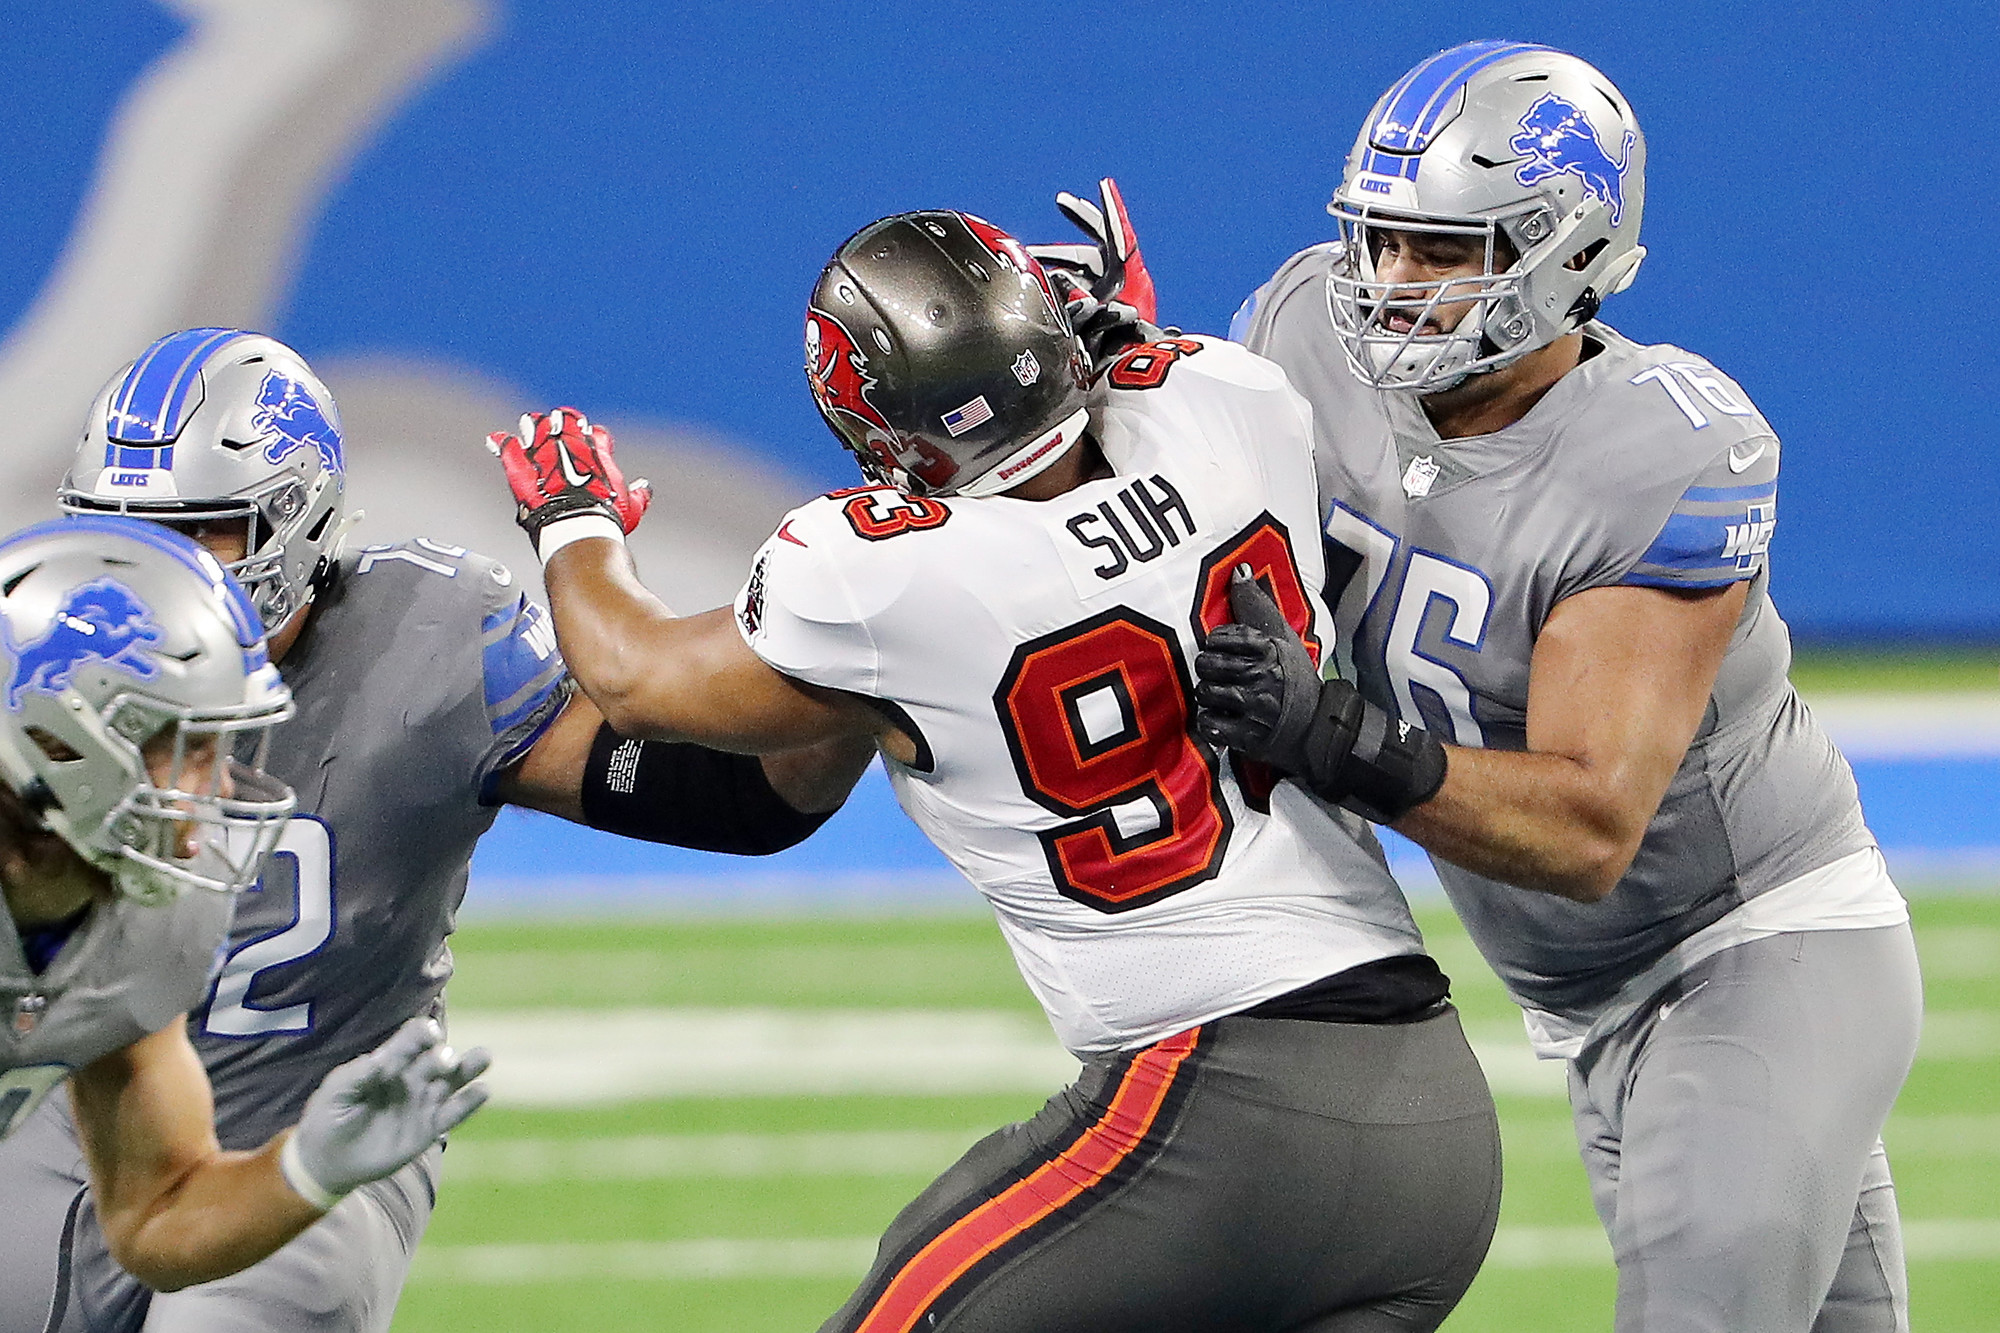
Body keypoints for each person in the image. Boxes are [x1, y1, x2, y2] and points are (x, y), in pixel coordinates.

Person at [489, 209, 1501, 1332]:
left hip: (1219, 1113)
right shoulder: (1232, 396)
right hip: (1435, 1120)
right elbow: (1131, 434)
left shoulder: (879, 576)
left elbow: (631, 674)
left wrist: (568, 519)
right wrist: (1105, 325)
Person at [1191, 39, 1920, 1333]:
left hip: (1748, 955)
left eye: (1443, 251)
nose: (1389, 284)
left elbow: (1588, 829)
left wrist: (1334, 737)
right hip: (1595, 998)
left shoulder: (1655, 451)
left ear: (1568, 253)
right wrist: (1084, 376)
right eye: (1381, 241)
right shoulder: (1301, 328)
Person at [0, 328, 870, 1333]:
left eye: (198, 532)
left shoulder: (427, 640)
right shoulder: (40, 662)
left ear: (291, 521)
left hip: (312, 1120)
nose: (153, 570)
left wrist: (852, 644)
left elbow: (740, 796)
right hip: (76, 1110)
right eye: (123, 529)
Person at [0, 515, 488, 1309]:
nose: (222, 788)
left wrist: (305, 1166)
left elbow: (156, 1217)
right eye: (187, 745)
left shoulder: (137, 920)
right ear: (59, 742)